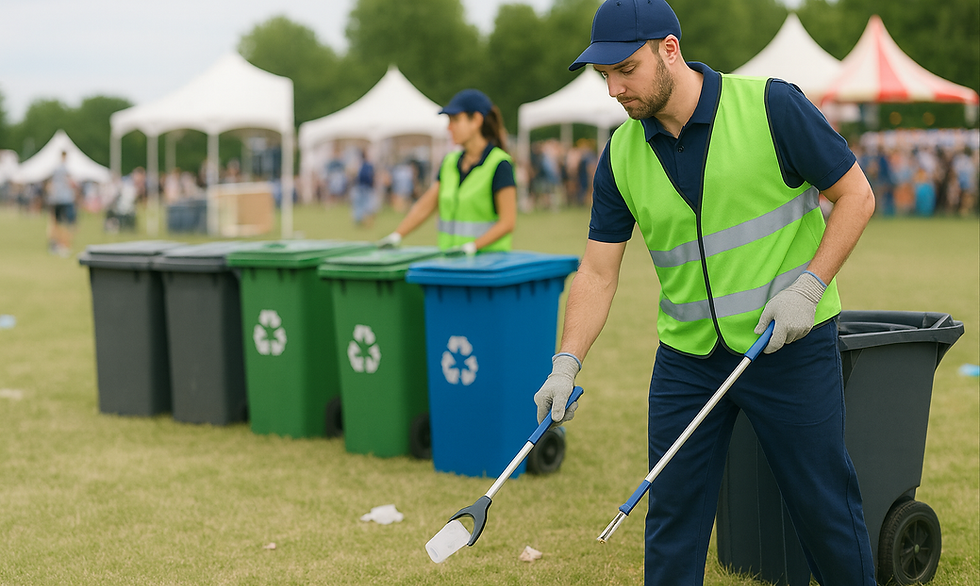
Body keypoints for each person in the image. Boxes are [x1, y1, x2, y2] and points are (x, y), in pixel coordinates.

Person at [532, 1, 878, 585]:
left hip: (786, 345)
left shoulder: (771, 105)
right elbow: (597, 271)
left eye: (626, 69)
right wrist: (566, 362)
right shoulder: (619, 154)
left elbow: (856, 195)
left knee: (824, 507)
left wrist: (809, 287)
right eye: (605, 76)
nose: (615, 88)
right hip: (687, 362)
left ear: (670, 49)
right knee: (672, 521)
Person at [377, 89, 516, 254]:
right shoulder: (450, 162)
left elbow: (508, 222)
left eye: (456, 120)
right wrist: (396, 236)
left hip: (487, 268)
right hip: (452, 263)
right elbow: (426, 205)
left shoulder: (499, 164)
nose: (449, 128)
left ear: (476, 120)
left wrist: (472, 247)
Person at [46, 150, 77, 256]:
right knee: (63, 223)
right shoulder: (64, 170)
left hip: (56, 199)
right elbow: (70, 183)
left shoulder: (56, 169)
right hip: (63, 199)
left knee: (56, 222)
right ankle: (62, 245)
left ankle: (55, 244)